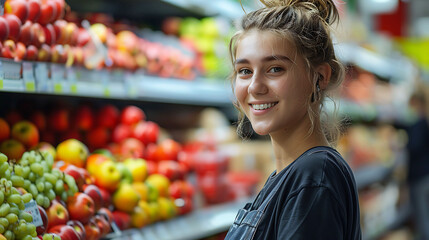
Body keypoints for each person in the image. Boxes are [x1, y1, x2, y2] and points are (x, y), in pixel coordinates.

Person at [224, 0, 362, 239]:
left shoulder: (313, 177)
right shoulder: (291, 174)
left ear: (319, 76)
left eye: (275, 69)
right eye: (245, 71)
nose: (255, 87)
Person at [406, 90, 429, 240]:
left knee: (421, 216)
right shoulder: (425, 122)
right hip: (426, 174)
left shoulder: (419, 124)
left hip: (419, 176)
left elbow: (413, 147)